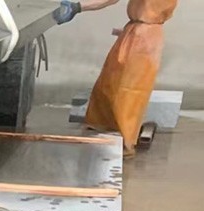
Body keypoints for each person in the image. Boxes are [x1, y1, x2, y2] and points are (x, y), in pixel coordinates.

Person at [53, 1, 179, 154]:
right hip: (139, 30)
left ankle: (125, 141)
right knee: (110, 82)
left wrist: (78, 7)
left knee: (129, 92)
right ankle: (103, 126)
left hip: (143, 36)